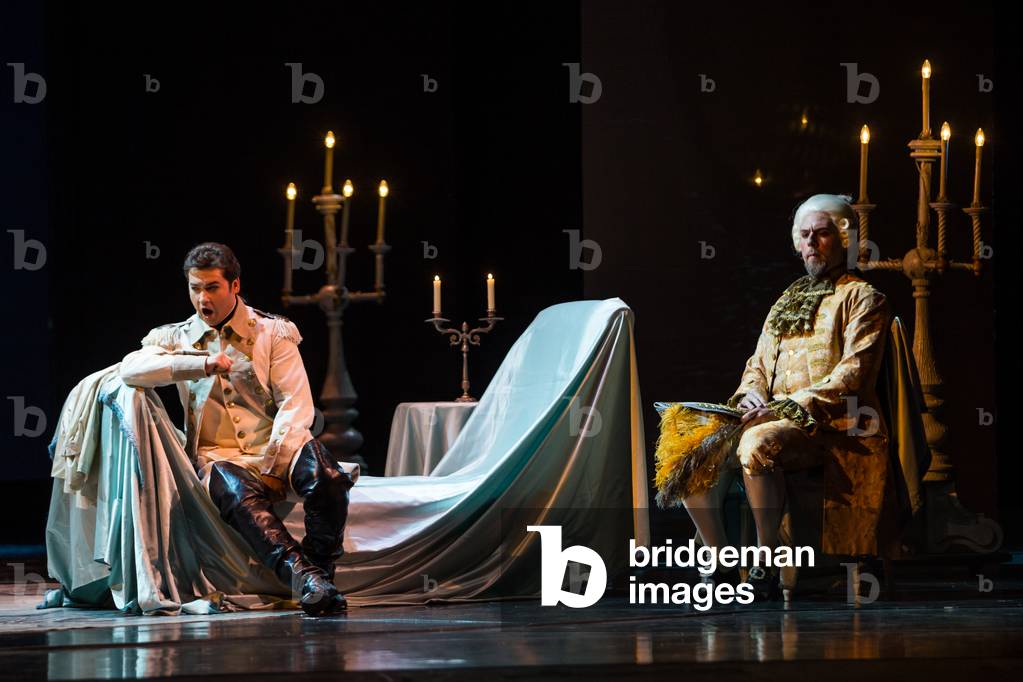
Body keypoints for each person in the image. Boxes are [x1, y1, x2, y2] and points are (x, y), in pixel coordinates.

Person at [119, 242, 352, 616]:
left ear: (235, 286)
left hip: (278, 448)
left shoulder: (273, 333)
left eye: (212, 287)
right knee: (235, 489)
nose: (202, 298)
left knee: (328, 477)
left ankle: (321, 571)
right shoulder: (175, 338)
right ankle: (308, 581)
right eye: (195, 288)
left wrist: (276, 468)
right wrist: (200, 365)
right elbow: (130, 370)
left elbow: (296, 405)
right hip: (219, 458)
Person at [682, 194, 893, 598]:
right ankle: (721, 559)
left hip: (833, 426)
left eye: (822, 233)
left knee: (758, 445)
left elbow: (853, 375)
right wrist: (750, 396)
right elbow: (756, 367)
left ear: (843, 240)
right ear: (796, 243)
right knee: (692, 446)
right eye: (805, 234)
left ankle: (766, 559)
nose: (812, 242)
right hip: (771, 417)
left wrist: (782, 408)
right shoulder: (785, 301)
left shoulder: (863, 298)